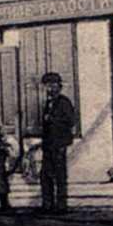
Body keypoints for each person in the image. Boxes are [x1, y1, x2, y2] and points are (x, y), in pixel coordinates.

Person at [40, 72, 75, 214]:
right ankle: (47, 204)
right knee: (45, 175)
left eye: (53, 86)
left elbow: (71, 121)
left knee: (60, 174)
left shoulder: (64, 102)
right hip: (48, 144)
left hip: (59, 143)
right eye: (48, 86)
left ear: (59, 87)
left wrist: (52, 119)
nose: (50, 89)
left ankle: (61, 205)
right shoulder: (48, 103)